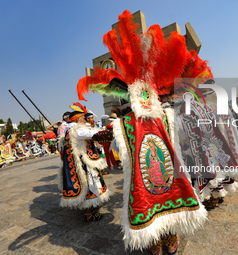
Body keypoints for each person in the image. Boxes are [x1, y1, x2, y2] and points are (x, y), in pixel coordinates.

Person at [76, 10, 207, 254]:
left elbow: (118, 150)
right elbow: (118, 147)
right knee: (161, 201)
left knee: (160, 203)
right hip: (157, 176)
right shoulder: (145, 120)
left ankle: (163, 239)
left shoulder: (142, 121)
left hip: (155, 177)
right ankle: (162, 239)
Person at [58, 104, 110, 222]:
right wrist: (107, 132)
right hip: (83, 163)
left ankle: (89, 209)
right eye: (82, 117)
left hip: (77, 163)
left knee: (87, 186)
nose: (84, 119)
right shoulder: (76, 130)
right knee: (90, 185)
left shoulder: (67, 129)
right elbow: (92, 134)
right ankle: (89, 213)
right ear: (77, 119)